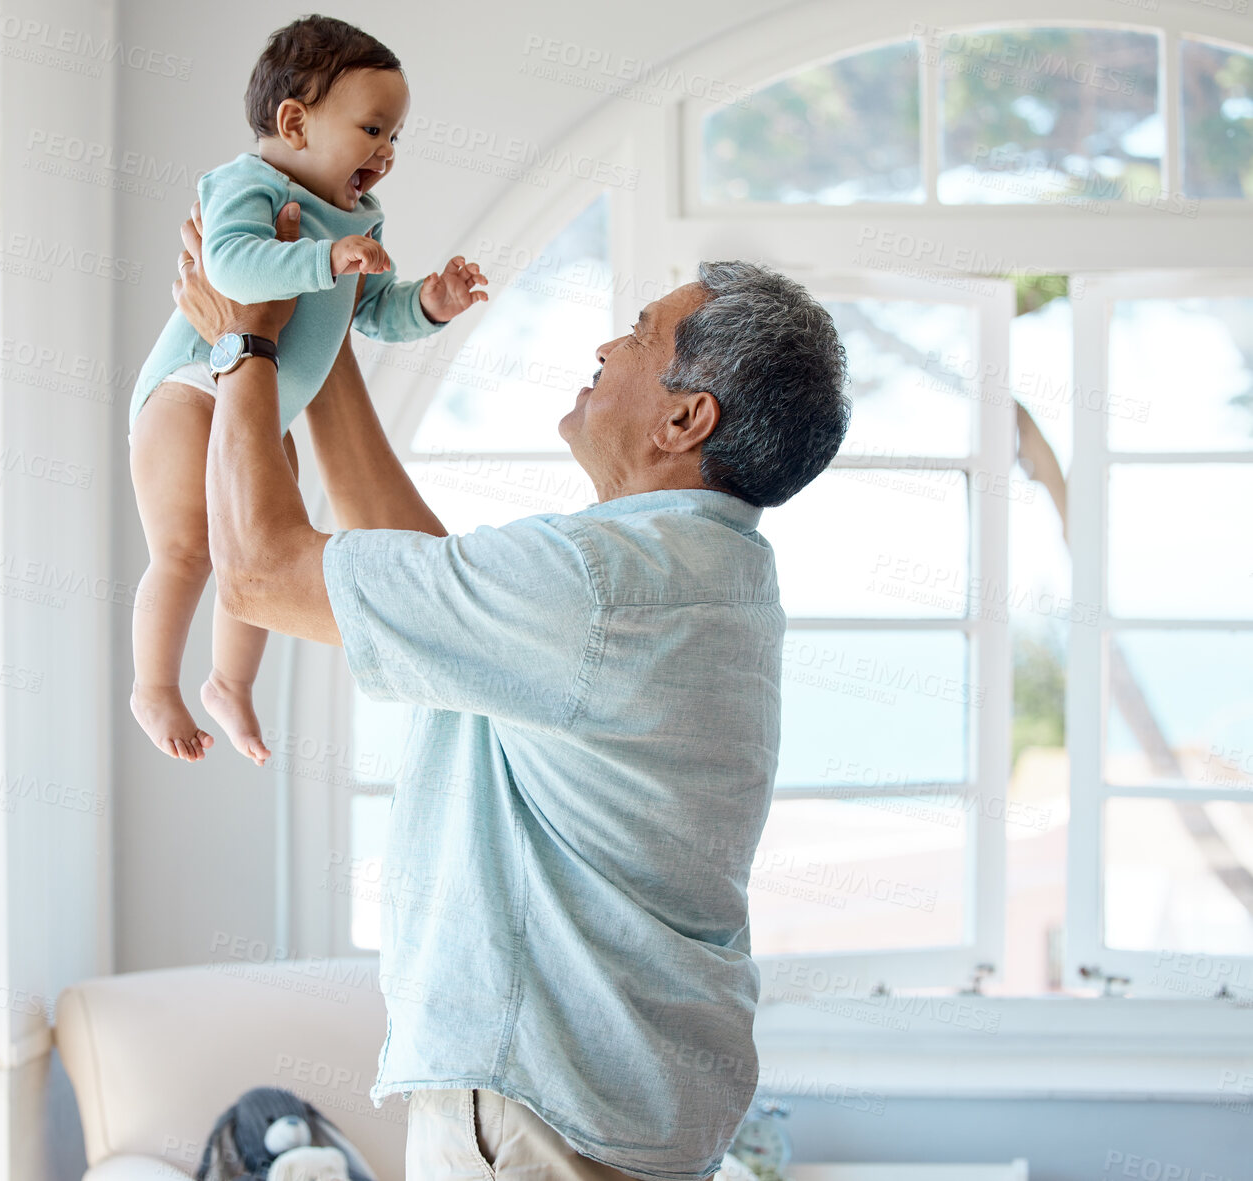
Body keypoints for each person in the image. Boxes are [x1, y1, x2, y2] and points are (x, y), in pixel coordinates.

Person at [170, 195, 850, 1180]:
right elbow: (419, 574)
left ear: (684, 416)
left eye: (640, 333)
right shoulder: (707, 573)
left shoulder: (598, 583)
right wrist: (317, 329)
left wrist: (245, 344)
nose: (608, 345)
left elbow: (261, 572)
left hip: (545, 1106)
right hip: (626, 1105)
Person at [127, 14, 488, 767]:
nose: (387, 153)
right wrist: (326, 261)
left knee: (260, 540)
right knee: (188, 548)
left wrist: (431, 303)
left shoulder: (358, 218)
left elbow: (376, 313)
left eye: (395, 137)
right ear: (294, 122)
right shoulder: (245, 184)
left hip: (264, 397)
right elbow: (230, 267)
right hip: (192, 388)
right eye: (373, 129)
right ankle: (152, 685)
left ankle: (229, 680)